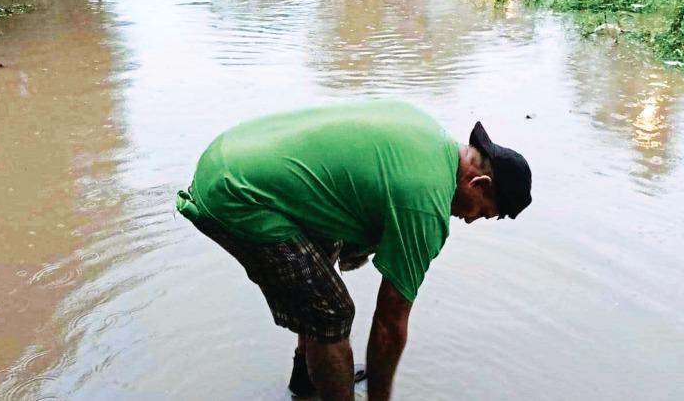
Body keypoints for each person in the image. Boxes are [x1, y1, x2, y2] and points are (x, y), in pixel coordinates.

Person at [176, 100, 533, 401]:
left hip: (230, 156)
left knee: (324, 262)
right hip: (238, 196)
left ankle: (307, 378)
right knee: (332, 313)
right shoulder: (425, 202)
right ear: (479, 183)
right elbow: (390, 324)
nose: (469, 221)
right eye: (483, 212)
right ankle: (327, 377)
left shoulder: (428, 134)